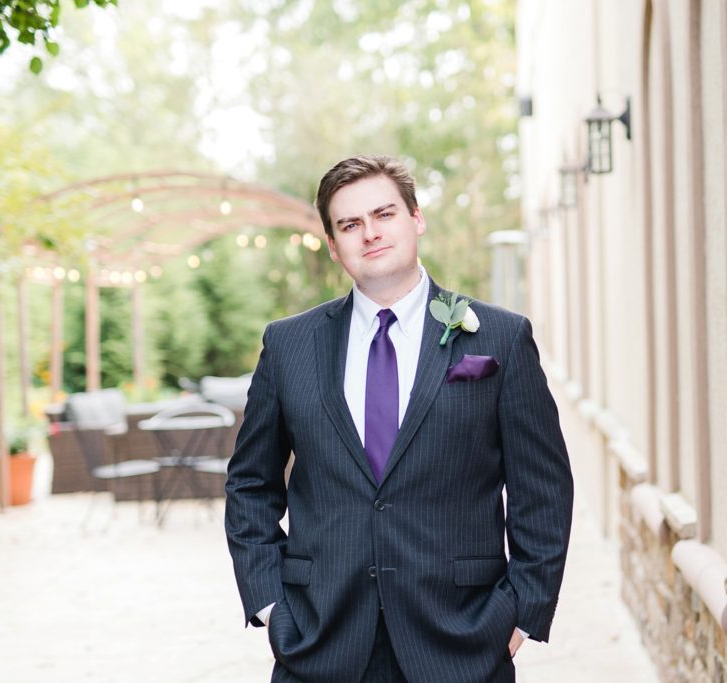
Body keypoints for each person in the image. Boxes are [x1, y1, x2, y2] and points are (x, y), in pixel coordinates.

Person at [225, 154, 573, 683]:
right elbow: (250, 484)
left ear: (416, 218)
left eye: (384, 214)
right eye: (350, 224)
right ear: (334, 245)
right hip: (319, 644)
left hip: (462, 642)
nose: (370, 233)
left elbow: (542, 488)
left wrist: (522, 611)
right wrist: (271, 605)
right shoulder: (288, 345)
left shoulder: (501, 338)